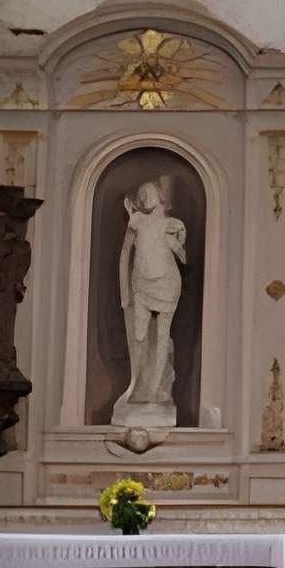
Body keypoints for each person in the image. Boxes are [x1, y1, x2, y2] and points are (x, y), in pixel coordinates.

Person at [116, 174, 189, 420]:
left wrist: (176, 244)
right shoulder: (136, 220)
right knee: (139, 334)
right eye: (142, 193)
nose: (145, 195)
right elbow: (125, 254)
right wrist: (124, 290)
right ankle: (138, 385)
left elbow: (184, 257)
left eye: (149, 191)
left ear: (161, 196)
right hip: (141, 285)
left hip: (167, 284)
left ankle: (157, 391)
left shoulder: (174, 224)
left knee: (162, 337)